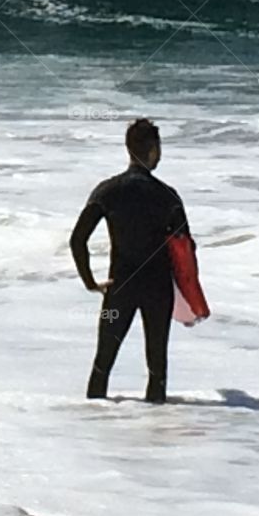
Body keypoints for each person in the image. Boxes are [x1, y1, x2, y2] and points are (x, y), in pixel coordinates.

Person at [68, 118, 190, 404]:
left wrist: (90, 282)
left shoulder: (108, 191)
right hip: (158, 292)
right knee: (157, 366)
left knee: (103, 362)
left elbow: (77, 240)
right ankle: (155, 427)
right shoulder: (167, 196)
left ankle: (92, 425)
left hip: (119, 289)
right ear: (153, 150)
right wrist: (190, 298)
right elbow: (184, 249)